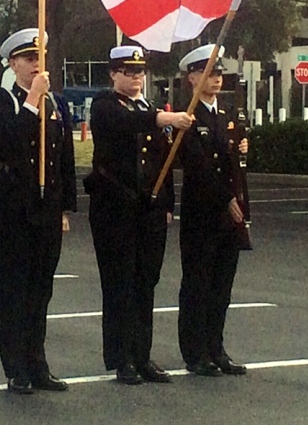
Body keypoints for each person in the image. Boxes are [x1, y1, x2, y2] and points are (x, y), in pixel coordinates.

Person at [84, 45, 194, 385]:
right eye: (128, 72)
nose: (135, 78)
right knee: (120, 283)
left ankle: (143, 354)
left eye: (139, 72)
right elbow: (125, 124)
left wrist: (165, 205)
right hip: (116, 209)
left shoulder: (148, 107)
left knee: (146, 282)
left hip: (148, 209)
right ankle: (122, 357)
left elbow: (163, 161)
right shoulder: (105, 106)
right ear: (113, 74)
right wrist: (164, 118)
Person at [0, 29, 77, 395]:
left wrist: (65, 206)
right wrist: (33, 99)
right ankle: (16, 367)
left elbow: (63, 157)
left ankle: (38, 363)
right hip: (15, 209)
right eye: (27, 58)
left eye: (39, 57)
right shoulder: (2, 99)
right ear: (13, 63)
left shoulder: (56, 103)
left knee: (41, 290)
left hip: (47, 208)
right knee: (14, 291)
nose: (36, 64)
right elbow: (10, 141)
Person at [177, 44, 249, 377]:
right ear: (193, 78)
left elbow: (235, 166)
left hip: (229, 217)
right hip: (203, 213)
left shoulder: (227, 115)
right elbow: (199, 166)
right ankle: (195, 352)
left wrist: (240, 202)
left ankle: (216, 348)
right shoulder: (187, 116)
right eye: (209, 74)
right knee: (199, 285)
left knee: (222, 287)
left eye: (219, 74)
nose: (216, 80)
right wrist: (226, 200)